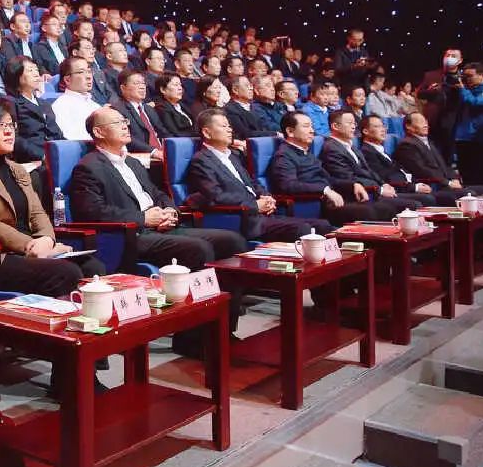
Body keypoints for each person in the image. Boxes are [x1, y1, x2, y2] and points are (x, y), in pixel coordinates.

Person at [66, 107, 247, 327]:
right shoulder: (88, 167)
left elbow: (158, 193)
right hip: (132, 235)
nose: (125, 126)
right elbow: (92, 212)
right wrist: (143, 218)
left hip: (161, 227)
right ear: (99, 132)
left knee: (232, 241)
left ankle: (226, 327)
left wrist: (170, 211)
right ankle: (195, 335)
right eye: (117, 123)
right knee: (198, 249)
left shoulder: (132, 162)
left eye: (125, 121)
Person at [0, 98, 105, 294]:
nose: (9, 132)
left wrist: (47, 240)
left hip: (32, 248)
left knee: (93, 267)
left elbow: (38, 214)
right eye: (1, 126)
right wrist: (31, 246)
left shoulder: (17, 169)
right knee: (66, 272)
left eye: (11, 125)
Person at [186, 109, 331, 240]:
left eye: (229, 126)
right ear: (207, 132)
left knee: (322, 225)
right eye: (223, 126)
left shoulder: (233, 156)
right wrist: (254, 205)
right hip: (242, 220)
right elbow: (216, 196)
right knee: (304, 229)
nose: (229, 130)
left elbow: (252, 183)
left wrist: (266, 196)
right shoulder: (202, 160)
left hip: (263, 216)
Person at [270, 112, 393, 225]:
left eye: (312, 126)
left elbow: (328, 179)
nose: (312, 131)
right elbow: (288, 185)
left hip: (331, 200)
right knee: (370, 211)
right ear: (290, 131)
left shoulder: (306, 152)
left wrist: (352, 185)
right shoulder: (284, 155)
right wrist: (324, 190)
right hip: (314, 204)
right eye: (306, 126)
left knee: (384, 208)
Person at [320, 110, 432, 210]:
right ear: (335, 126)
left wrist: (383, 185)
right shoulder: (332, 148)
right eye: (349, 123)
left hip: (373, 190)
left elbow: (369, 171)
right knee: (414, 204)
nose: (353, 127)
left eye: (354, 123)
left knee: (424, 200)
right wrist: (379, 189)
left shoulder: (352, 147)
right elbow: (348, 177)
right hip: (358, 195)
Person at [359, 114, 456, 205]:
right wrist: (414, 187)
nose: (383, 130)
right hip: (397, 190)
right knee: (430, 199)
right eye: (377, 126)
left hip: (407, 186)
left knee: (452, 195)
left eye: (383, 126)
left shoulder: (383, 151)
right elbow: (386, 177)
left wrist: (417, 184)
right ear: (365, 131)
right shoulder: (367, 152)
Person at [394, 112, 483, 196]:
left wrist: (454, 178)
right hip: (433, 187)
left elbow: (444, 165)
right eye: (420, 122)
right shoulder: (407, 145)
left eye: (425, 121)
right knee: (469, 194)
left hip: (446, 184)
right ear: (408, 126)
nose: (425, 124)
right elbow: (422, 170)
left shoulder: (430, 143)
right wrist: (448, 183)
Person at [7, 56, 64, 164]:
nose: (36, 74)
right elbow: (15, 138)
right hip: (30, 160)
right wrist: (42, 155)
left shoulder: (44, 104)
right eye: (30, 70)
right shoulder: (11, 103)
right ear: (17, 75)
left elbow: (57, 133)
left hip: (54, 156)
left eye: (36, 70)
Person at [417, 49, 465, 164]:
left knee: (449, 153)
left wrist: (462, 89)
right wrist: (430, 91)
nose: (449, 58)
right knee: (432, 152)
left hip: (455, 121)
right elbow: (419, 93)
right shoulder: (431, 75)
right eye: (447, 55)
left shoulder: (464, 77)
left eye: (453, 56)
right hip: (433, 120)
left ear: (460, 60)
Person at [112, 70, 167, 160]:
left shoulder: (149, 109)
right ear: (123, 88)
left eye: (143, 83)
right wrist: (153, 151)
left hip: (162, 154)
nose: (142, 87)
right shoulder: (117, 109)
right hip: (141, 158)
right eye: (137, 83)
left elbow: (163, 132)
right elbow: (126, 138)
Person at [51, 57, 101, 140]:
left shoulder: (95, 106)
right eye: (81, 72)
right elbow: (69, 139)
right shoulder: (61, 106)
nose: (89, 76)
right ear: (67, 80)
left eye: (89, 71)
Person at [455, 62, 483, 185]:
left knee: (481, 172)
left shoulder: (480, 90)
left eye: (470, 76)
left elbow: (475, 102)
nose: (467, 79)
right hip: (463, 137)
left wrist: (462, 89)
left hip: (481, 138)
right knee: (466, 173)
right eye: (464, 76)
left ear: (482, 75)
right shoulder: (465, 91)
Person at [224, 76, 276, 140]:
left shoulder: (254, 106)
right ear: (235, 90)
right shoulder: (230, 109)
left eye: (251, 86)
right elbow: (244, 134)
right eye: (247, 86)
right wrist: (274, 134)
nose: (251, 88)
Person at [153, 73, 195, 138]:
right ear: (163, 89)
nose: (180, 88)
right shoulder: (161, 108)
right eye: (175, 85)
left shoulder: (183, 105)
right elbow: (175, 133)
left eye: (180, 85)